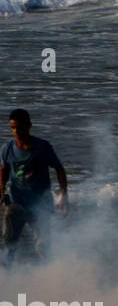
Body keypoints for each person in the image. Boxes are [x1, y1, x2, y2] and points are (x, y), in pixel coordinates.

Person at [0, 109, 69, 264]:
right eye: (13, 128)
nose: (16, 131)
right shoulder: (7, 149)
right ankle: (6, 281)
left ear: (29, 126)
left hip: (40, 204)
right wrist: (2, 191)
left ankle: (51, 279)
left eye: (20, 127)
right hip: (17, 204)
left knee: (43, 247)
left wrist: (63, 194)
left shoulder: (42, 147)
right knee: (9, 244)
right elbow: (3, 170)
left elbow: (59, 168)